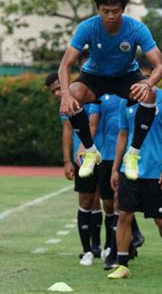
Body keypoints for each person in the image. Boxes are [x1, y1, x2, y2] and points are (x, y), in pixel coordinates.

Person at [58, 0, 162, 182]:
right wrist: (64, 94)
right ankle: (91, 151)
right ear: (98, 9)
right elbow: (65, 65)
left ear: (122, 10)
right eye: (105, 11)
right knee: (73, 94)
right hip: (95, 76)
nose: (110, 16)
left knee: (151, 94)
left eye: (115, 11)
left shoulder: (136, 29)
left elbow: (160, 65)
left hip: (126, 76)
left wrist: (147, 83)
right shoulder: (87, 27)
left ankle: (133, 153)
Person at [108, 83, 162, 279]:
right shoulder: (126, 100)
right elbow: (123, 135)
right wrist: (115, 168)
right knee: (124, 215)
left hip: (156, 171)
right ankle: (122, 265)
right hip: (129, 170)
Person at [45, 70, 103, 266]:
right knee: (86, 199)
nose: (57, 94)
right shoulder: (64, 106)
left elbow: (93, 123)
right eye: (53, 91)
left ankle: (101, 247)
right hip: (81, 159)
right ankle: (87, 250)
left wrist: (84, 146)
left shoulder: (90, 94)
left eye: (57, 89)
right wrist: (67, 161)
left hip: (99, 154)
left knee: (103, 200)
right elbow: (67, 130)